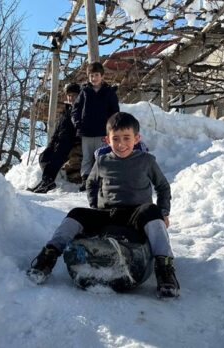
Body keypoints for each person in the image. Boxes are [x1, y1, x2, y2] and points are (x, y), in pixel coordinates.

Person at [26, 112, 180, 299]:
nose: (121, 144)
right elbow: (91, 183)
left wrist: (163, 212)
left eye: (127, 138)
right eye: (116, 139)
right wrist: (95, 205)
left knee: (152, 211)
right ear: (107, 140)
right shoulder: (102, 161)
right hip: (108, 213)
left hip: (137, 215)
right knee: (76, 213)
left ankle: (164, 267)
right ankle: (49, 254)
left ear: (136, 138)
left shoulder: (146, 161)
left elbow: (163, 187)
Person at [71, 61, 120, 192]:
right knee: (86, 157)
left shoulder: (109, 92)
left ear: (102, 76)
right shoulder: (85, 92)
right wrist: (77, 122)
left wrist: (112, 127)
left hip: (102, 132)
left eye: (96, 75)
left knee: (101, 157)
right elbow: (76, 109)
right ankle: (86, 181)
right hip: (86, 131)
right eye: (91, 76)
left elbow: (115, 111)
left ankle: (100, 180)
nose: (94, 78)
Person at [28, 83, 81, 194]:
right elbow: (58, 128)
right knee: (44, 157)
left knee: (56, 159)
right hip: (58, 140)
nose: (71, 98)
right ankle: (47, 181)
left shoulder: (81, 109)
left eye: (74, 96)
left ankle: (47, 182)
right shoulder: (66, 110)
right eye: (69, 95)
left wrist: (77, 138)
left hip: (69, 141)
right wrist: (52, 141)